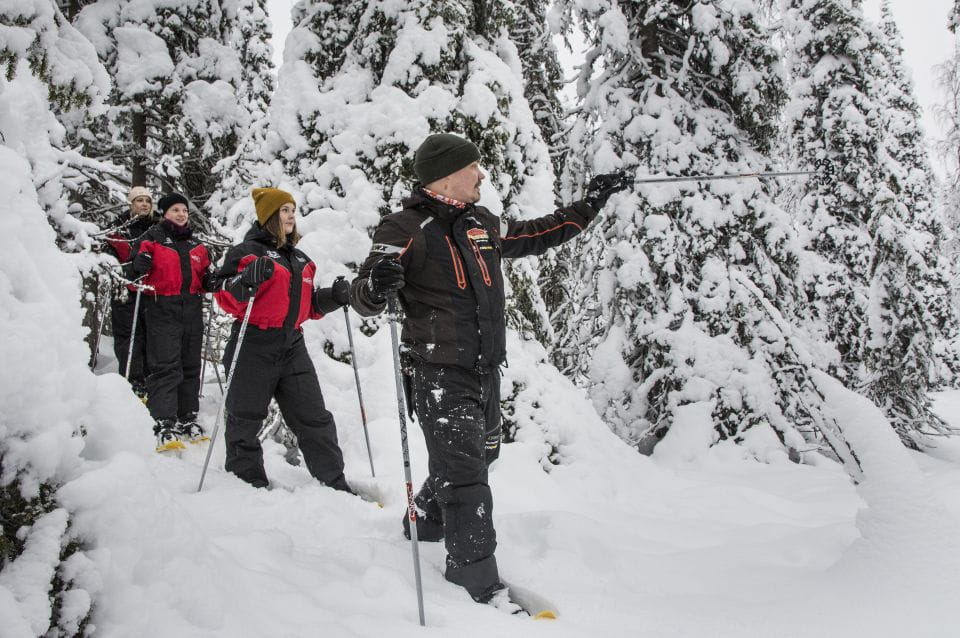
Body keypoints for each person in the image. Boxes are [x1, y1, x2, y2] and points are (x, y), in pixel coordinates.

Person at [349, 133, 627, 604]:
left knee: (484, 458)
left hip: (484, 370)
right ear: (447, 174)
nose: (482, 174)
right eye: (474, 167)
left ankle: (425, 519)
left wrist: (591, 202)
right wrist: (376, 286)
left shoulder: (482, 224)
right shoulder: (405, 228)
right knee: (466, 479)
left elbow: (539, 233)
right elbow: (364, 295)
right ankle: (476, 586)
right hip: (438, 372)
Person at [212, 188, 354, 492]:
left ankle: (334, 482)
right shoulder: (246, 252)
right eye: (284, 210)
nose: (291, 215)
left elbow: (306, 307)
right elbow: (223, 296)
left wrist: (332, 298)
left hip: (291, 343)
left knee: (314, 417)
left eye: (292, 209)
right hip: (253, 341)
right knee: (245, 417)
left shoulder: (301, 258)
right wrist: (245, 280)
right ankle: (246, 481)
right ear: (269, 215)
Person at [128, 193, 214, 452]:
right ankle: (164, 419)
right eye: (175, 209)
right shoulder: (152, 240)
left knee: (190, 364)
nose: (181, 214)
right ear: (164, 212)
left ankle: (187, 415)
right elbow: (132, 276)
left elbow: (206, 277)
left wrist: (213, 279)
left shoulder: (197, 245)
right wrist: (138, 266)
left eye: (184, 210)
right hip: (162, 307)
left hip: (191, 308)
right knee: (166, 365)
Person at [105, 186, 156, 397]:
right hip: (125, 291)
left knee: (150, 336)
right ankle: (132, 380)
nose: (144, 204)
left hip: (150, 291)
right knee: (128, 336)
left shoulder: (159, 227)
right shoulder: (118, 229)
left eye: (147, 201)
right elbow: (109, 261)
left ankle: (149, 379)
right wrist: (130, 268)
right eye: (139, 200)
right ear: (131, 204)